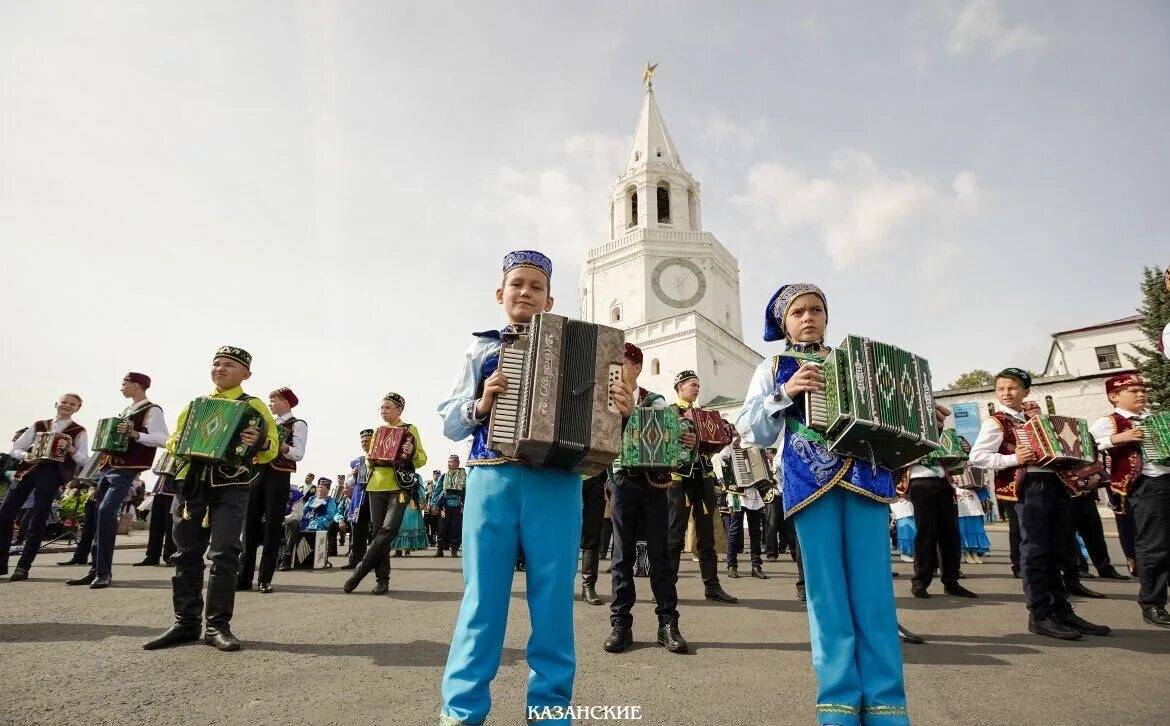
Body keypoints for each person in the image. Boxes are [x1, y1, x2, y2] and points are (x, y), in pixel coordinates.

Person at [436, 250, 633, 725]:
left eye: (536, 286)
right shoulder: (481, 348)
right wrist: (482, 404)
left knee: (553, 602)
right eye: (517, 283)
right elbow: (448, 421)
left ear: (550, 300)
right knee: (483, 598)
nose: (526, 291)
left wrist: (620, 410)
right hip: (492, 476)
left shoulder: (590, 348)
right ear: (500, 294)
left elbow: (603, 428)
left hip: (559, 482)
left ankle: (549, 711)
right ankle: (462, 712)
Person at [736, 283, 913, 725]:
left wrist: (921, 415)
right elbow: (750, 430)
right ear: (783, 323)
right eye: (798, 312)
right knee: (826, 594)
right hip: (808, 482)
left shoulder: (858, 364)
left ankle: (887, 704)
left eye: (816, 309)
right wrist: (785, 392)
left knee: (875, 593)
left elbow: (891, 412)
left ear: (827, 316)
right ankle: (837, 703)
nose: (808, 317)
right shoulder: (774, 365)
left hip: (867, 478)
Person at [142, 345, 279, 652]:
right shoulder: (195, 404)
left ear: (246, 373)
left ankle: (217, 626)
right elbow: (174, 438)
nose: (220, 368)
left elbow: (271, 448)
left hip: (231, 484)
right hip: (191, 484)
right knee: (185, 554)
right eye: (216, 363)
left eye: (228, 364)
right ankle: (185, 624)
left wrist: (258, 441)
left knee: (224, 552)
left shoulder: (253, 406)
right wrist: (183, 443)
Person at [969, 368, 1110, 641]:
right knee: (1035, 552)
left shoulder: (1036, 420)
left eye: (1012, 388)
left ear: (1026, 391)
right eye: (1000, 389)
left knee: (1059, 549)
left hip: (1056, 485)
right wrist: (1013, 459)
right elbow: (978, 457)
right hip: (1029, 487)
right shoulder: (995, 423)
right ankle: (1040, 615)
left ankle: (1062, 610)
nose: (1006, 393)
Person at [604, 342, 690, 655]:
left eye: (622, 363)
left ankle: (668, 622)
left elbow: (665, 439)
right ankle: (620, 623)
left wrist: (632, 414)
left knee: (660, 553)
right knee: (622, 554)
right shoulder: (604, 403)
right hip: (622, 481)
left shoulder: (655, 401)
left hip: (654, 484)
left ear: (637, 367)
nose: (615, 370)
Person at [66, 373, 167, 589]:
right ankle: (95, 570)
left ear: (137, 386)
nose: (121, 388)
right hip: (107, 467)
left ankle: (104, 572)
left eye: (125, 384)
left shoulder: (152, 409)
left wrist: (135, 434)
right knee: (95, 514)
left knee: (106, 512)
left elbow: (163, 439)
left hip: (126, 469)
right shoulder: (127, 411)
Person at [1090, 373, 1170, 627]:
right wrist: (1116, 439)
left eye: (1142, 390)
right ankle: (1152, 603)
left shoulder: (1156, 419)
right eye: (1133, 391)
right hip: (1146, 486)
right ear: (1114, 397)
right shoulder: (1109, 422)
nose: (1141, 394)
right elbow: (1084, 445)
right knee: (1154, 545)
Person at [342, 392, 427, 595]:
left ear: (399, 410)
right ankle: (382, 580)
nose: (383, 411)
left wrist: (412, 452)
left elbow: (422, 459)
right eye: (381, 408)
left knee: (388, 529)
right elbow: (369, 461)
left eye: (387, 407)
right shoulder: (378, 431)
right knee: (378, 532)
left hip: (399, 485)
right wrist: (371, 457)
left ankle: (360, 570)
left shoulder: (409, 429)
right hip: (376, 486)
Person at [666, 371, 737, 604]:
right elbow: (662, 443)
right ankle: (668, 586)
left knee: (707, 536)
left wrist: (725, 436)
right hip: (679, 479)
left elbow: (713, 444)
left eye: (698, 385)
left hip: (704, 477)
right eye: (692, 385)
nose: (697, 388)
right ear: (679, 386)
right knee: (675, 534)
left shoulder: (705, 415)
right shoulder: (669, 412)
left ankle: (712, 586)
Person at [1, 393, 89, 580]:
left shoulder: (79, 430)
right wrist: (27, 456)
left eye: (72, 404)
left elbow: (84, 459)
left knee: (38, 521)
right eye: (64, 402)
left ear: (77, 408)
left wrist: (71, 449)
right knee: (4, 515)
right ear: (56, 403)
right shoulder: (39, 425)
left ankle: (23, 567)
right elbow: (16, 448)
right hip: (27, 471)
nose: (67, 406)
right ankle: (1, 563)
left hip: (50, 475)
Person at [238, 387, 307, 594]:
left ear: (286, 402)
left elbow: (298, 454)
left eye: (274, 400)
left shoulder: (297, 424)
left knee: (272, 528)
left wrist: (283, 447)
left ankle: (264, 578)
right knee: (248, 526)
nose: (270, 404)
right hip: (256, 472)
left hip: (278, 476)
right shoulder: (264, 423)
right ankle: (243, 577)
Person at [341, 429, 374, 570]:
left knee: (376, 532)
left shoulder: (380, 459)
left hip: (374, 497)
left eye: (367, 440)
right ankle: (355, 560)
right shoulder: (357, 462)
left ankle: (373, 561)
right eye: (362, 441)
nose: (364, 443)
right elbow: (349, 483)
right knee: (357, 531)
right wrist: (353, 476)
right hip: (359, 499)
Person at [134, 470, 177, 567]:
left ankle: (170, 556)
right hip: (158, 492)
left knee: (170, 528)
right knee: (155, 527)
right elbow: (156, 471)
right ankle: (152, 556)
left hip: (173, 493)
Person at [580, 467, 608, 605]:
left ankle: (588, 586)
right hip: (566, 478)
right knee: (564, 535)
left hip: (595, 476)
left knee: (593, 533)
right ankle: (560, 586)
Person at [431, 455, 466, 557]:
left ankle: (454, 550)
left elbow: (467, 491)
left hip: (458, 506)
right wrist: (434, 504)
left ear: (457, 463)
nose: (448, 464)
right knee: (442, 527)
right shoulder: (444, 476)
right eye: (448, 462)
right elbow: (437, 490)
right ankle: (440, 549)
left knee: (456, 527)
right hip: (444, 506)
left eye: (451, 462)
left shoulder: (464, 476)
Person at [391, 472, 429, 555]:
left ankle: (407, 549)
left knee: (408, 525)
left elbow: (421, 489)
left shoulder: (416, 476)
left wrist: (421, 502)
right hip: (398, 502)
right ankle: (398, 550)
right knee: (398, 525)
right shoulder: (396, 474)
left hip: (412, 503)